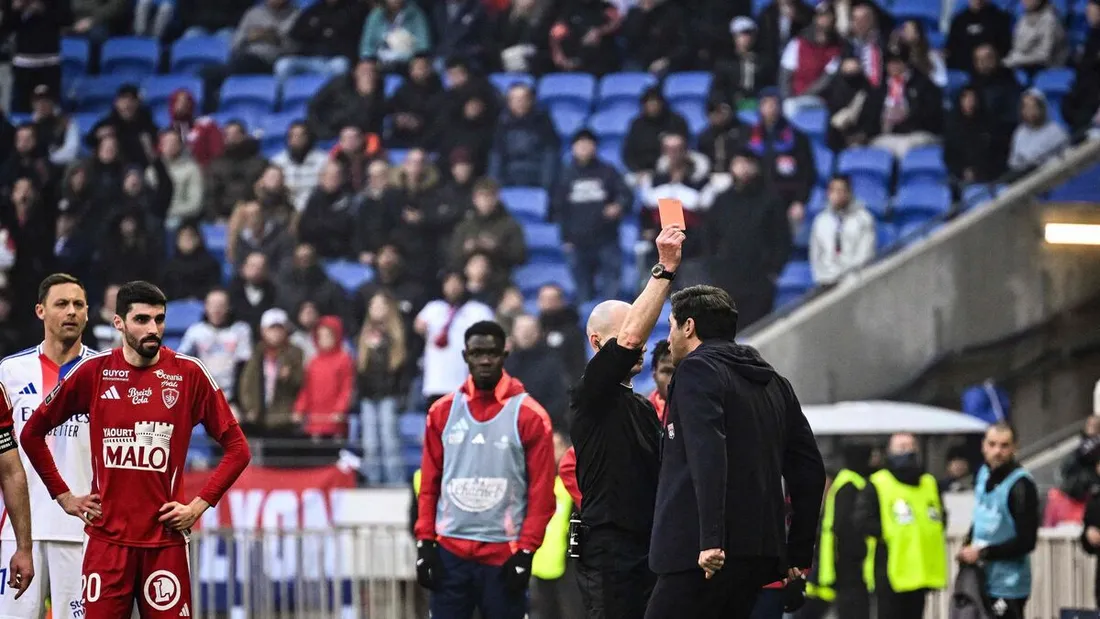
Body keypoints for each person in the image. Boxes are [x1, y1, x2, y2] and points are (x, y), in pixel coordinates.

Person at [19, 280, 252, 618]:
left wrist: (198, 506)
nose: (153, 329)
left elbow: (238, 449)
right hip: (107, 543)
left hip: (165, 543)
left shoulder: (188, 374)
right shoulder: (94, 372)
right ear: (119, 323)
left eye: (159, 320)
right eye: (142, 320)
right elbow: (32, 433)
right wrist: (64, 496)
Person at [644, 285, 825, 619]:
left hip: (700, 555)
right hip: (757, 557)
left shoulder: (696, 371)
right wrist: (798, 554)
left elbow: (707, 453)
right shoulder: (774, 382)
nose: (668, 339)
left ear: (689, 326)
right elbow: (809, 469)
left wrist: (711, 540)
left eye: (670, 325)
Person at [570, 226, 686, 619]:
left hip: (650, 547)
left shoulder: (642, 408)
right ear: (597, 343)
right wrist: (665, 270)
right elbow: (634, 339)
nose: (633, 343)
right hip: (609, 552)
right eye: (620, 338)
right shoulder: (590, 396)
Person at [413, 321, 555, 619]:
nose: (485, 360)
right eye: (477, 353)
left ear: (505, 353)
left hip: (503, 556)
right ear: (465, 356)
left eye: (492, 352)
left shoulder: (530, 415)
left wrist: (527, 552)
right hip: (450, 554)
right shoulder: (441, 413)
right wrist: (425, 543)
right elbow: (429, 484)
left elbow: (542, 492)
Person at [0, 274, 96, 618]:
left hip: (84, 531)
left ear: (88, 313)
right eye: (61, 304)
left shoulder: (103, 372)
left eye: (78, 305)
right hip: (17, 532)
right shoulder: (9, 372)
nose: (71, 312)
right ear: (40, 311)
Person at [855, 433, 947, 619]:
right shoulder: (878, 483)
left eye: (911, 446)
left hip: (922, 572)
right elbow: (862, 521)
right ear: (889, 452)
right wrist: (888, 532)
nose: (907, 452)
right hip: (890, 573)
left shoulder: (929, 483)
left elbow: (940, 518)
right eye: (901, 447)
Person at [956, 423, 1038, 619]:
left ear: (1014, 448)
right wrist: (968, 544)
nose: (997, 451)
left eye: (1004, 446)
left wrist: (984, 553)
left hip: (1008, 584)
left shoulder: (1021, 485)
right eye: (992, 444)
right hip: (980, 578)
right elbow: (981, 518)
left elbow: (1027, 541)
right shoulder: (983, 474)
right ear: (983, 446)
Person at [803, 445, 875, 619]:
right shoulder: (852, 484)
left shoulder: (844, 483)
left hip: (830, 565)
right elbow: (845, 527)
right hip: (845, 565)